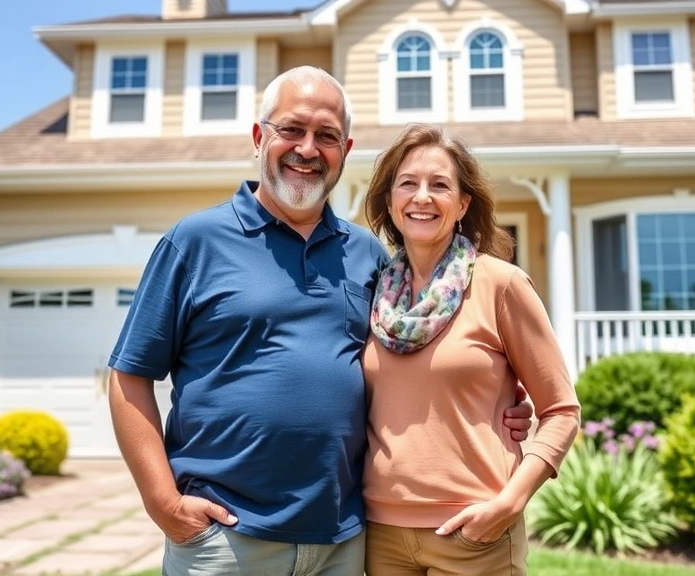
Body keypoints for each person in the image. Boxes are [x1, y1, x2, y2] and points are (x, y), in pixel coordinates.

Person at [106, 67, 534, 575]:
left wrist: (498, 397)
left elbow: (413, 364)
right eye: (292, 129)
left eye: (326, 136)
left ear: (345, 151)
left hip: (345, 540)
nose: (308, 149)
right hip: (228, 538)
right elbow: (128, 374)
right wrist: (164, 503)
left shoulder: (369, 256)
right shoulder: (196, 241)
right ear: (259, 137)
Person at [361, 123, 581, 576]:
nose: (422, 197)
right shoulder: (375, 293)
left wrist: (509, 503)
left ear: (462, 204)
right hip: (380, 534)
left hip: (473, 534)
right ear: (390, 201)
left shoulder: (501, 284)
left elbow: (562, 411)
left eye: (439, 185)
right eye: (408, 183)